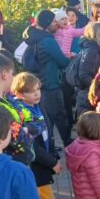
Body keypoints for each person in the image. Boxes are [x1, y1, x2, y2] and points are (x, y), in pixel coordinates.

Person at [11, 72, 61, 199]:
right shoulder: (22, 113)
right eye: (30, 91)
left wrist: (53, 155)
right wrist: (52, 162)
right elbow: (32, 147)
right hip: (34, 166)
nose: (36, 94)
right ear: (18, 93)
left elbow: (47, 132)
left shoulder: (38, 106)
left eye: (38, 89)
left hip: (43, 162)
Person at [22, 9, 72, 146]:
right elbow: (62, 61)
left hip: (38, 84)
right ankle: (67, 142)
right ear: (46, 23)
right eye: (54, 21)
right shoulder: (47, 40)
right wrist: (71, 58)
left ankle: (49, 146)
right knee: (59, 116)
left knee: (44, 118)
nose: (56, 24)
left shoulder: (31, 37)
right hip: (51, 84)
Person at [76, 22, 100, 117]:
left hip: (97, 95)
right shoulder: (91, 50)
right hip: (88, 97)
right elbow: (83, 75)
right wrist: (98, 85)